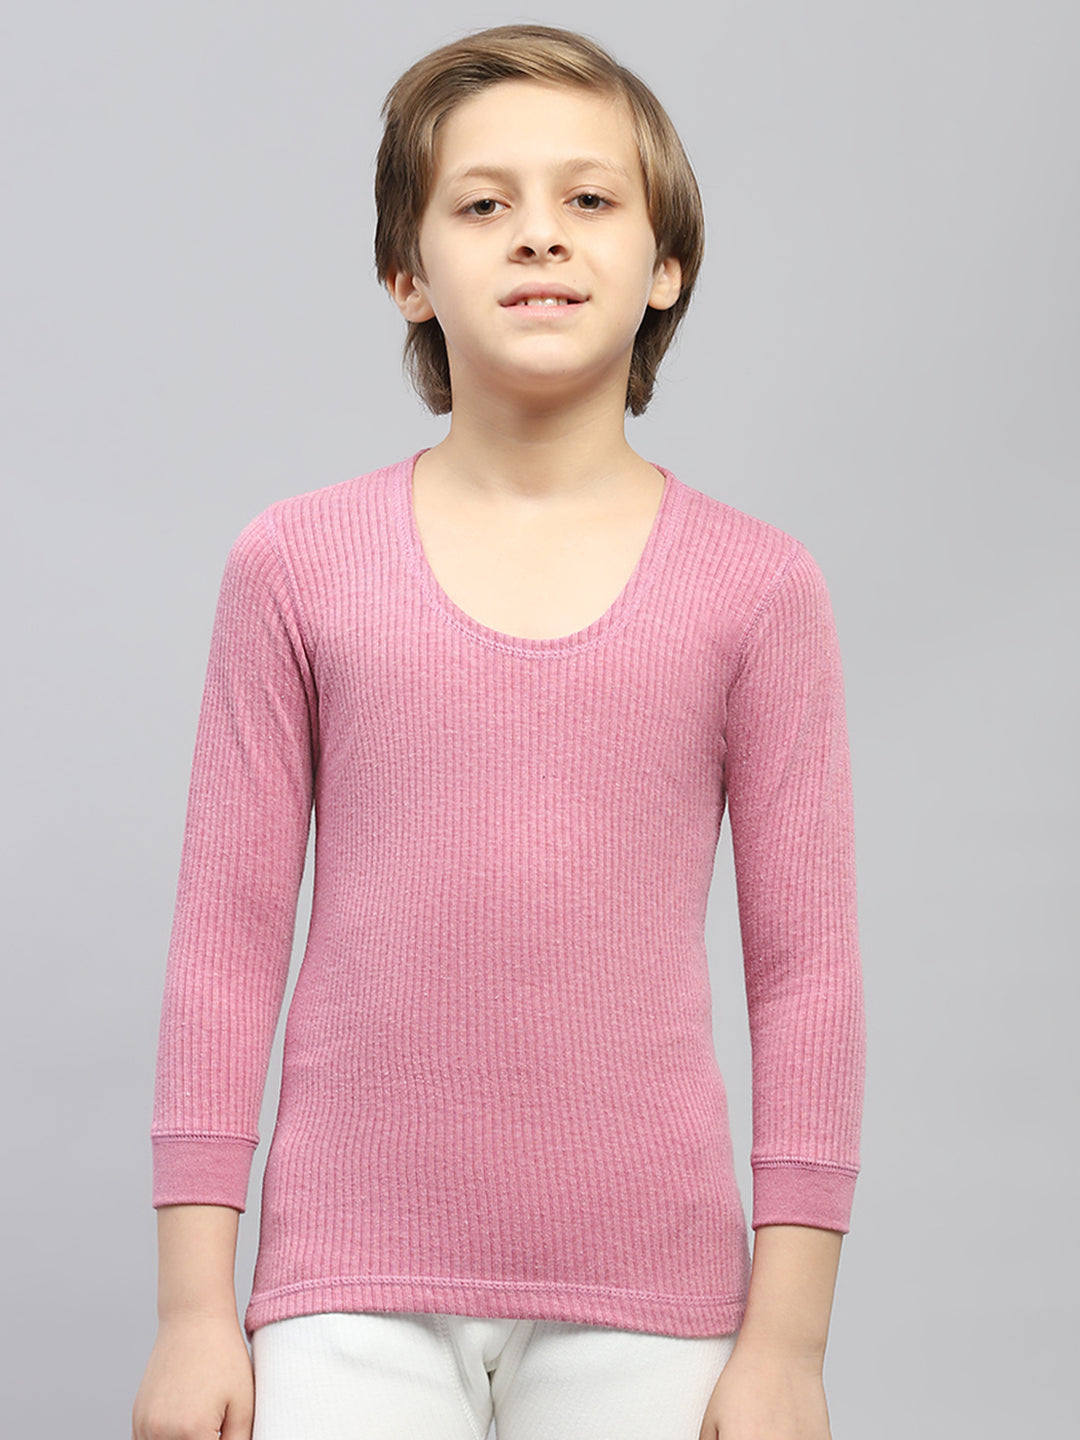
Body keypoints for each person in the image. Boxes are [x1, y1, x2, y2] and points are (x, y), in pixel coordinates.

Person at [131, 22, 865, 1440]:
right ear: (406, 273)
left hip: (654, 1301)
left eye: (589, 198)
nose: (539, 233)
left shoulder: (760, 589)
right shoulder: (295, 565)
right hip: (343, 1292)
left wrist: (789, 1341)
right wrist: (190, 1311)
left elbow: (807, 979)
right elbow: (223, 946)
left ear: (666, 264)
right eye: (482, 203)